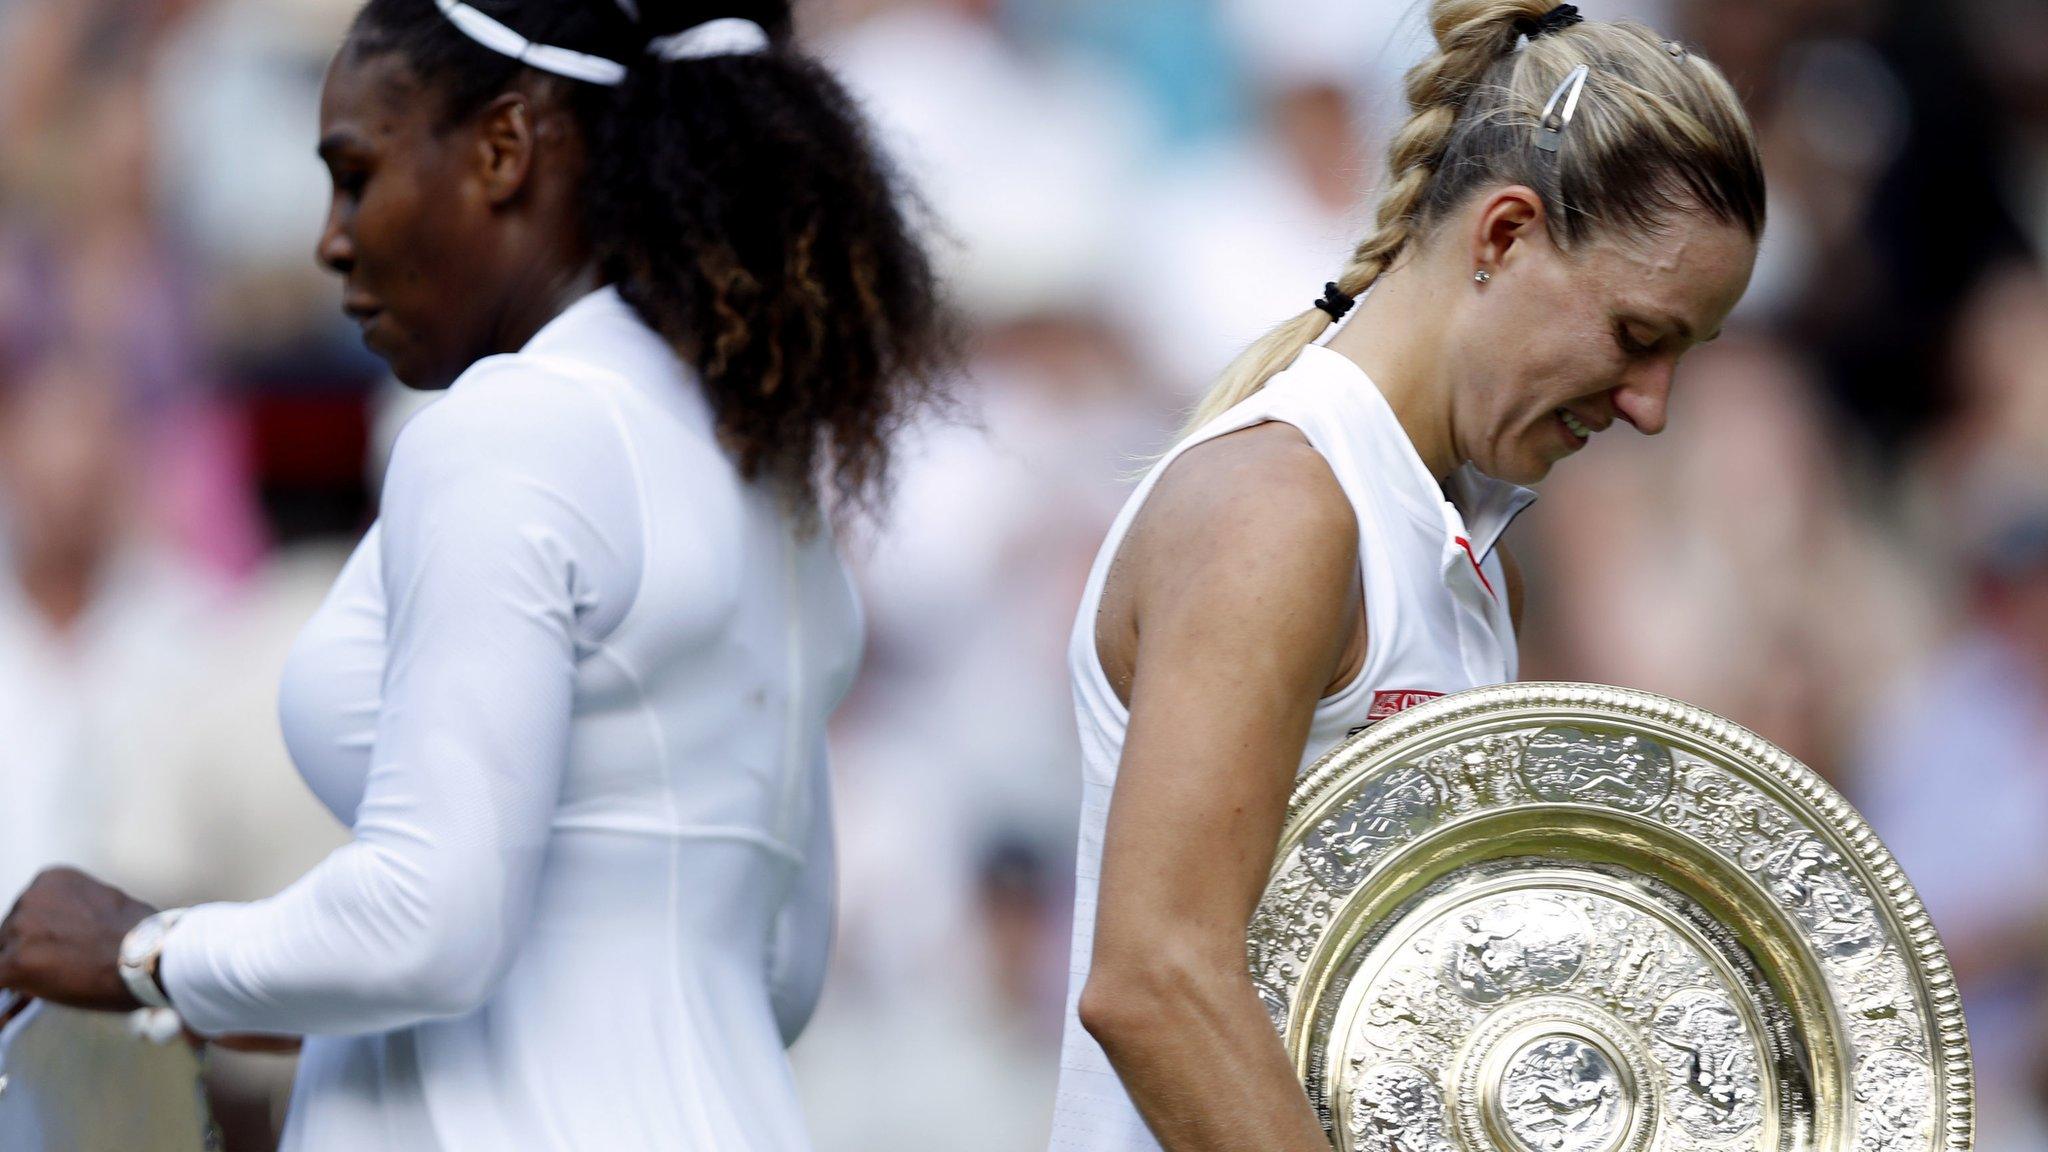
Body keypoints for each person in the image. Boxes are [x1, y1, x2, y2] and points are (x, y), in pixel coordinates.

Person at [0, 1, 948, 1149]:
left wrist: (139, 953)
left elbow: (427, 924)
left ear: (503, 149)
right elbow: (774, 971)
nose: (331, 238)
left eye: (357, 175)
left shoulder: (509, 432)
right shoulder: (752, 451)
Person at [1050, 3, 1765, 1151]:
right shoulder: (1280, 512)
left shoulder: (1475, 566)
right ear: (1502, 237)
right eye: (1637, 334)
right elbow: (1154, 980)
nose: (1650, 405)